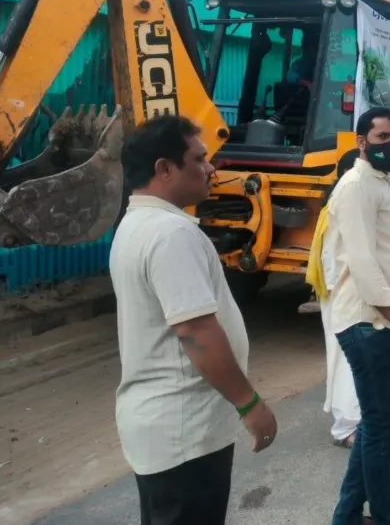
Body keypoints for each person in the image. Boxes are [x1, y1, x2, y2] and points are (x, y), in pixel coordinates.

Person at [109, 114, 278, 525]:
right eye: (199, 159)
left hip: (168, 431)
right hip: (184, 432)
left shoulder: (137, 224)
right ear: (164, 169)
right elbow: (196, 332)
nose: (211, 168)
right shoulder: (171, 234)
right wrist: (249, 404)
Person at [324, 106, 390, 525]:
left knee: (375, 424)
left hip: (380, 323)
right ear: (361, 142)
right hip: (370, 323)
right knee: (383, 427)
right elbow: (363, 265)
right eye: (383, 137)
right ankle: (387, 517)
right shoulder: (355, 187)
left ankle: (348, 515)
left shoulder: (378, 182)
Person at [306, 147, 362, 447]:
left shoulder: (346, 204)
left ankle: (359, 419)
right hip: (343, 297)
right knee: (345, 362)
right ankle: (345, 427)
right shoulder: (339, 208)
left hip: (351, 297)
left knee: (356, 362)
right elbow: (332, 261)